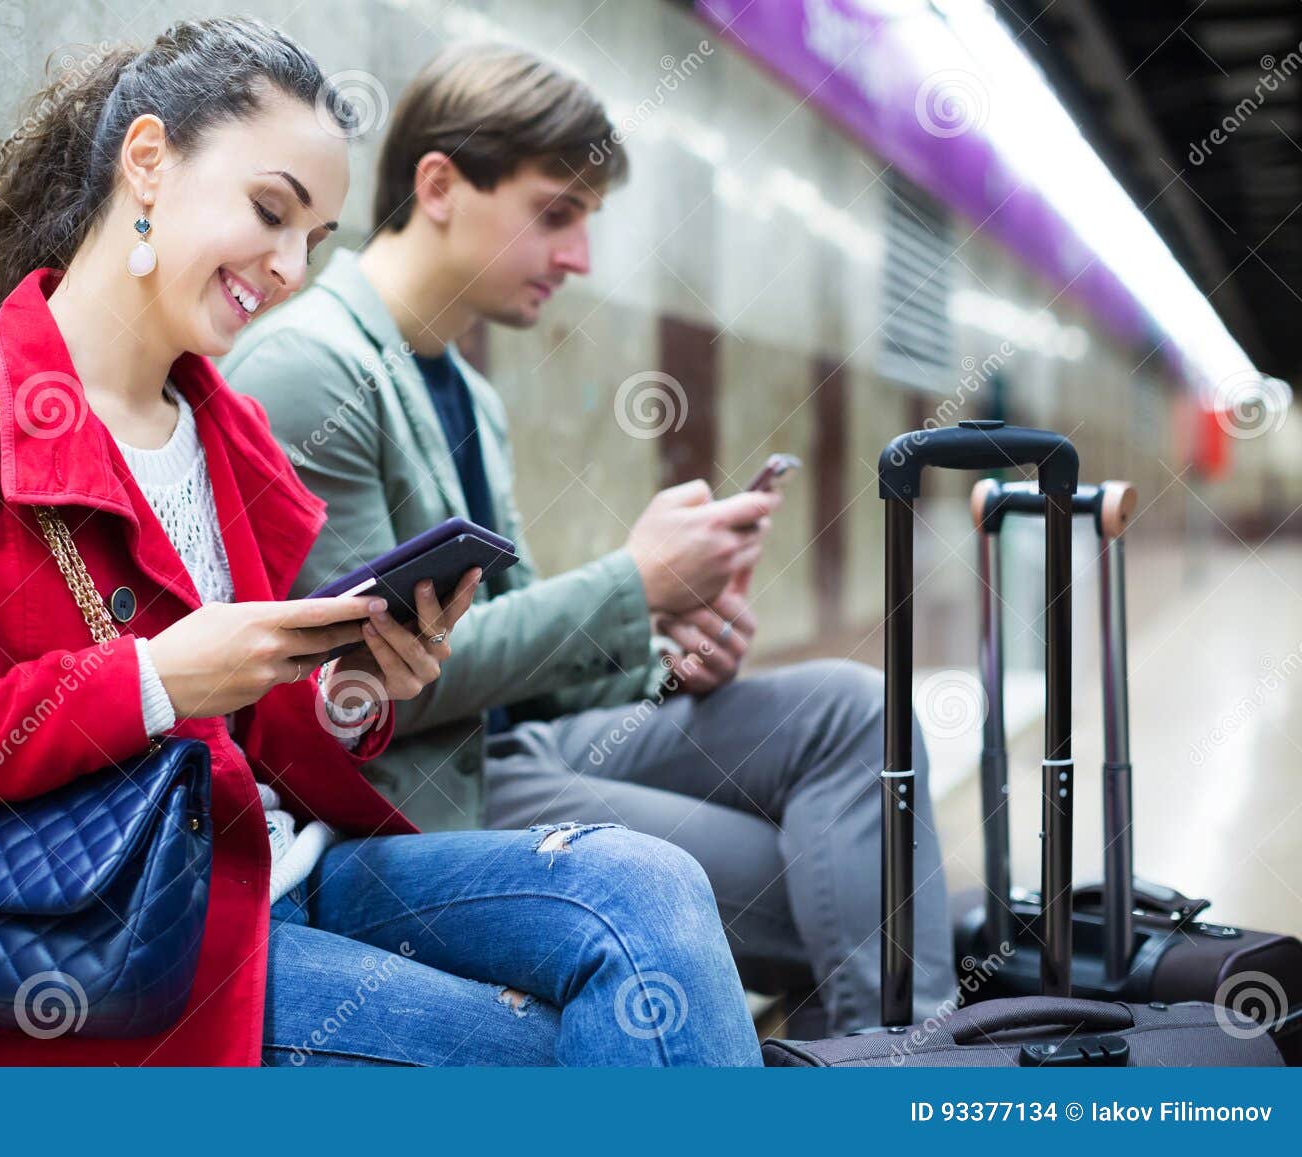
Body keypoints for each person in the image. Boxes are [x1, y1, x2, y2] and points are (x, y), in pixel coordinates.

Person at [0, 18, 764, 1067]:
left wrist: (355, 687)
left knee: (648, 882)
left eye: (316, 237)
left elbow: (266, 734)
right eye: (269, 211)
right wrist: (153, 679)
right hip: (108, 934)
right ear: (148, 159)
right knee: (552, 1046)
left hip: (290, 869)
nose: (290, 267)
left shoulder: (229, 433)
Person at [224, 42, 954, 1036]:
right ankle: (905, 1072)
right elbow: (375, 682)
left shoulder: (467, 394)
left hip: (512, 738)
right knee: (856, 900)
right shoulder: (311, 370)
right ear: (438, 184)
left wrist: (657, 655)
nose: (579, 258)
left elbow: (516, 649)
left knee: (849, 706)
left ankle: (898, 1060)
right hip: (424, 785)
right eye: (555, 213)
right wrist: (633, 581)